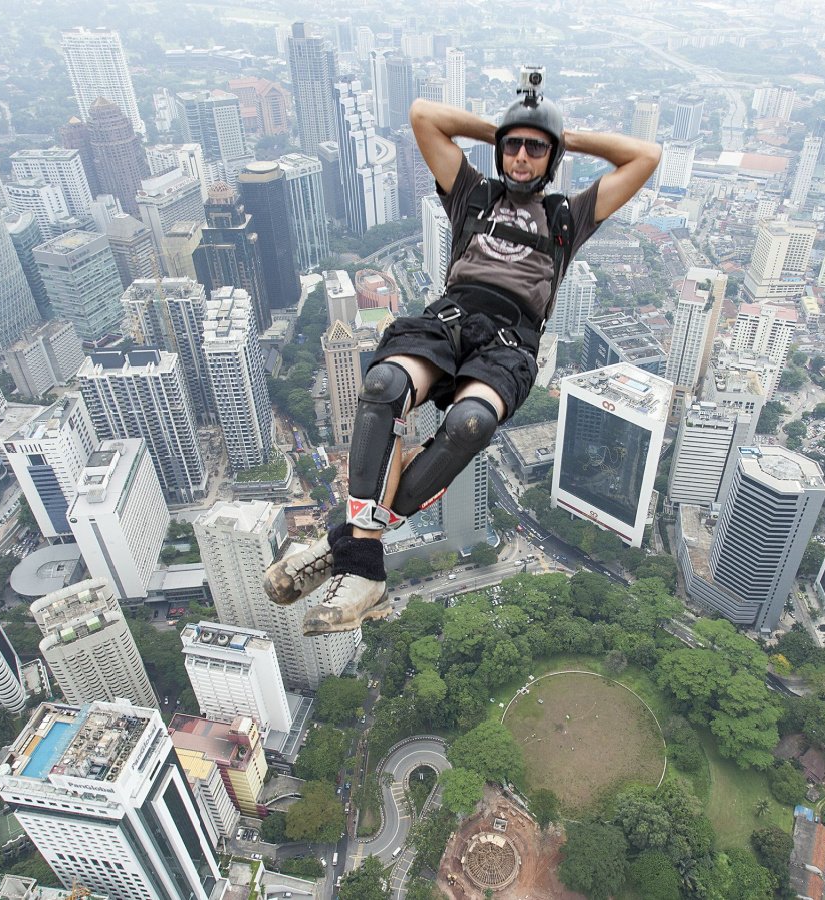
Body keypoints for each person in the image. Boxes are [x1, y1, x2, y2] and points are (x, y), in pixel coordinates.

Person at [266, 79, 660, 635]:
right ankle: (361, 564)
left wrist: (560, 134)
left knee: (469, 424)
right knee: (383, 387)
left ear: (552, 158)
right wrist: (505, 128)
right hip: (449, 320)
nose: (521, 156)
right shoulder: (472, 193)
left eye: (535, 148)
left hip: (509, 342)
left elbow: (647, 156)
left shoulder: (569, 216)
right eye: (512, 145)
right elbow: (424, 114)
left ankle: (348, 553)